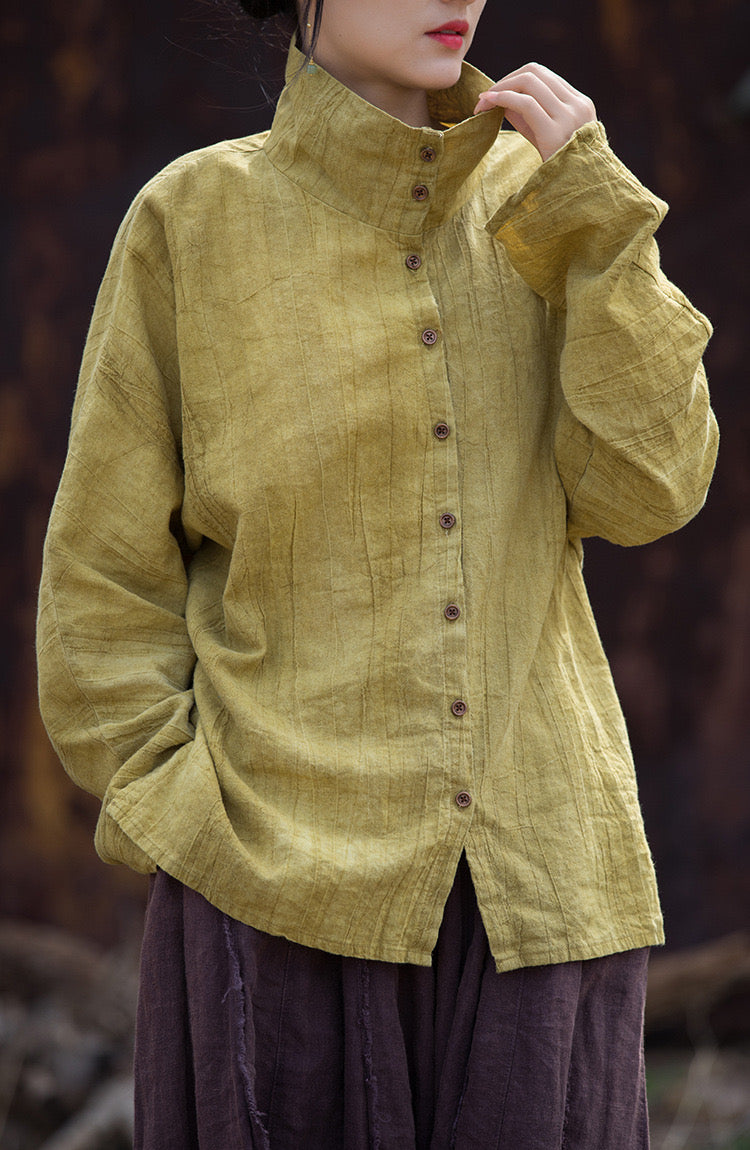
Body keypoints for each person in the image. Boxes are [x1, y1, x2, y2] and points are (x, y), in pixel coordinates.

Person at [36, 0, 719, 1146]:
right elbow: (103, 583)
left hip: (536, 896)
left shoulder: (551, 202)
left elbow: (651, 489)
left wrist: (602, 231)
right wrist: (184, 819)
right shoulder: (192, 221)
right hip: (271, 894)